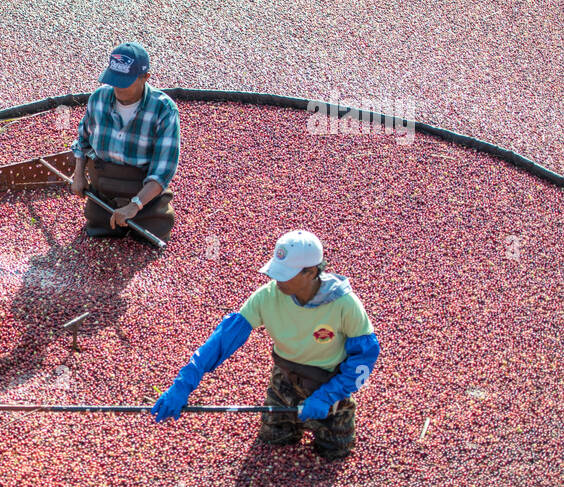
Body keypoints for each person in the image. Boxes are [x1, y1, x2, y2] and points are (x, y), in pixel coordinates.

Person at [150, 230, 380, 459]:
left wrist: (328, 395)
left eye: (286, 274)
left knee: (334, 453)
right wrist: (183, 383)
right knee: (273, 442)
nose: (277, 280)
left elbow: (365, 356)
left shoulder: (344, 304)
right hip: (285, 381)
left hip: (330, 382)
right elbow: (222, 340)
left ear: (310, 272)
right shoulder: (267, 297)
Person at [70, 42, 181, 242]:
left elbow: (163, 170)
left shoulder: (163, 110)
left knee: (152, 235)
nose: (118, 87)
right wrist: (79, 175)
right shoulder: (98, 99)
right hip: (103, 190)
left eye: (125, 81)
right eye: (114, 79)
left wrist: (135, 205)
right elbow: (83, 141)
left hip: (144, 195)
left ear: (145, 78)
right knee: (98, 231)